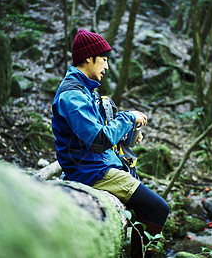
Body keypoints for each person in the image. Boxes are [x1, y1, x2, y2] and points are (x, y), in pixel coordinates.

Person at [52, 29, 169, 258]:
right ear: (88, 58)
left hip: (97, 165)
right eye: (103, 60)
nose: (106, 66)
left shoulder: (85, 90)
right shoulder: (72, 96)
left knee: (147, 208)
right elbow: (98, 142)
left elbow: (95, 134)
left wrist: (125, 136)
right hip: (90, 172)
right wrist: (128, 118)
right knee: (158, 209)